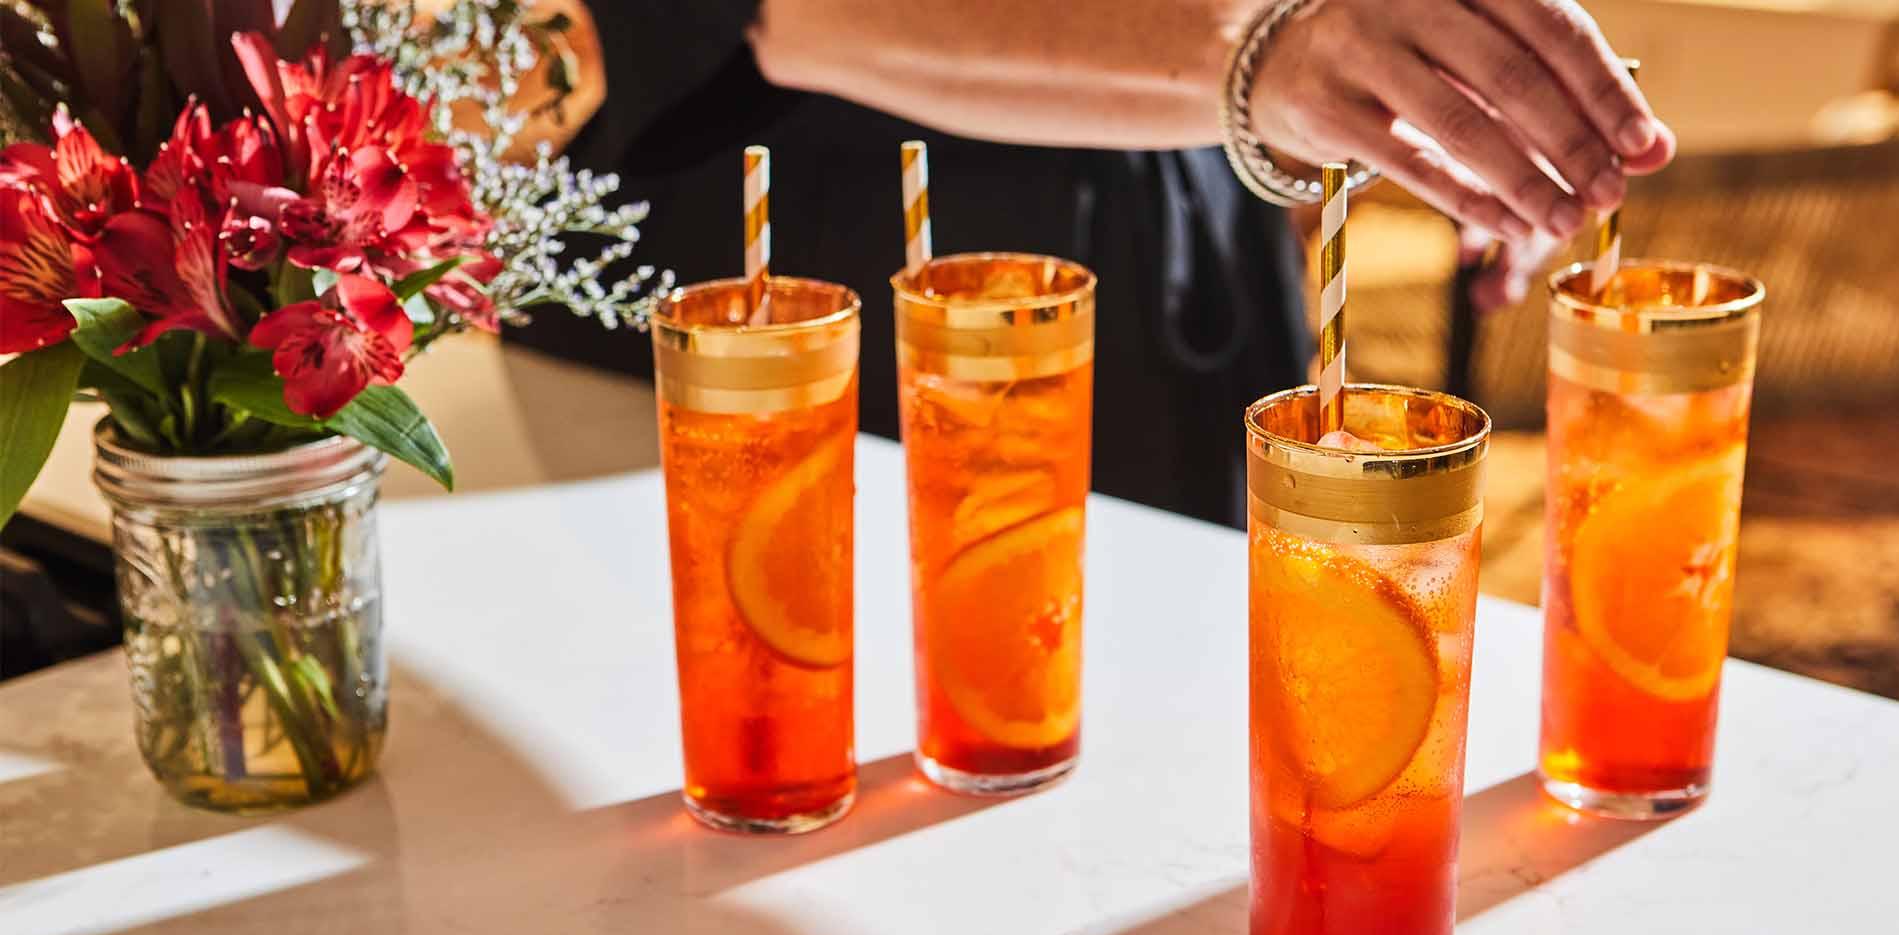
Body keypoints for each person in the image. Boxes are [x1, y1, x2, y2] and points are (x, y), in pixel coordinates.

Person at [510, 0, 1675, 524]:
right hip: (786, 306)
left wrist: (1439, 86)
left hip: (1182, 260)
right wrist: (1268, 54)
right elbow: (754, 12)